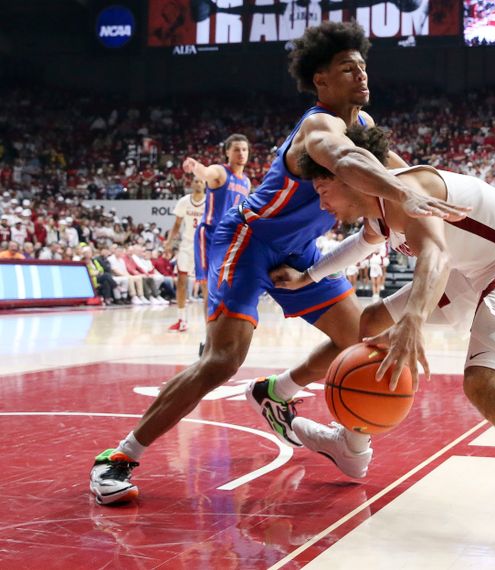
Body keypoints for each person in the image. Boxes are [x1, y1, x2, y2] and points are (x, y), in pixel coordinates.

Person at [88, 22, 467, 506]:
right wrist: (402, 193)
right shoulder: (318, 126)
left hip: (299, 249)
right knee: (223, 359)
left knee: (362, 340)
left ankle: (280, 395)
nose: (361, 73)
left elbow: (407, 171)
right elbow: (348, 161)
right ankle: (117, 458)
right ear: (320, 80)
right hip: (249, 239)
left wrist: (450, 198)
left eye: (363, 65)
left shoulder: (365, 123)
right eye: (347, 68)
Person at [270, 124, 495, 557]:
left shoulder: (411, 188)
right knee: (366, 323)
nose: (322, 202)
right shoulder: (375, 210)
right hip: (471, 272)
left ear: (351, 179)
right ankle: (351, 444)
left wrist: (415, 319)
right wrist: (308, 276)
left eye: (324, 189)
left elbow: (435, 256)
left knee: (483, 383)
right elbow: (361, 247)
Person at [185, 134, 251, 351]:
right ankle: (209, 340)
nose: (241, 153)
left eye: (244, 149)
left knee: (227, 290)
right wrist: (195, 166)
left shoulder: (246, 182)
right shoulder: (221, 173)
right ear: (227, 152)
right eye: (236, 149)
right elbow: (206, 172)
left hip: (230, 241)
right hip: (210, 236)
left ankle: (222, 336)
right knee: (210, 290)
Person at [164, 176, 206, 332]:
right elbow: (176, 225)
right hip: (187, 245)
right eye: (196, 181)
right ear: (191, 184)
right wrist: (169, 242)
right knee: (181, 281)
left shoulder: (210, 202)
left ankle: (210, 322)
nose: (199, 183)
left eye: (201, 181)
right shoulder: (184, 201)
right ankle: (181, 319)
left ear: (205, 184)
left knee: (205, 284)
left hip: (203, 245)